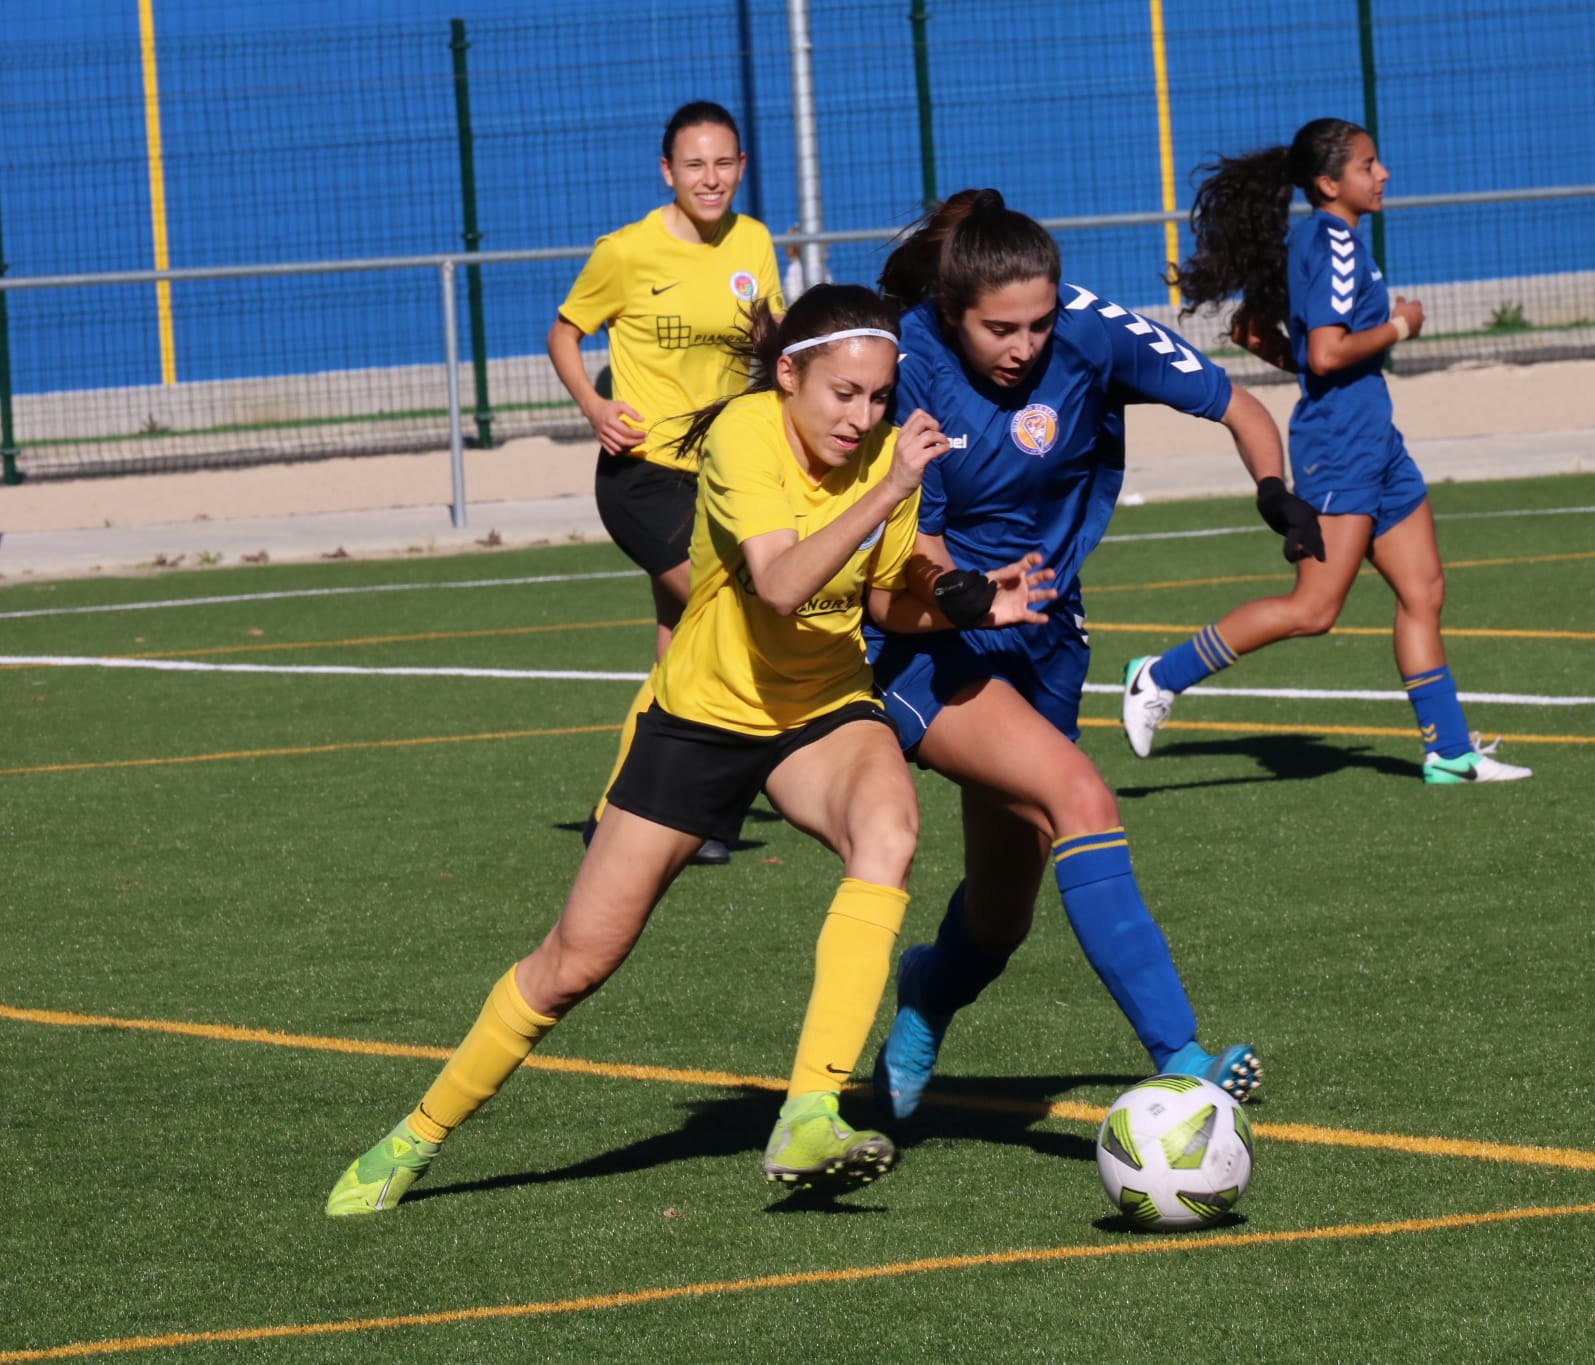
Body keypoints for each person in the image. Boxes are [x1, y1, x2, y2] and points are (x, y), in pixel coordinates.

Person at [326, 285, 1052, 1214]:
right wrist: (890, 488)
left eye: (877, 397)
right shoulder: (746, 436)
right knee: (575, 961)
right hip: (703, 716)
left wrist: (966, 599)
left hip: (821, 706)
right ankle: (414, 1137)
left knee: (890, 831)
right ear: (789, 375)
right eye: (843, 394)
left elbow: (878, 599)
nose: (862, 416)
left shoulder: (884, 452)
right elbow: (783, 582)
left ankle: (809, 1112)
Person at [863, 189, 1324, 1121]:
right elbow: (904, 541)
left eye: (1039, 322)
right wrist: (959, 590)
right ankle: (1184, 1056)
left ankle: (926, 994)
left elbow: (1238, 406)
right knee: (1081, 797)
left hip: (1047, 641)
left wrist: (1275, 491)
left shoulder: (1091, 331)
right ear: (953, 311)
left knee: (1001, 915)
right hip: (930, 641)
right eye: (1000, 329)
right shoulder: (904, 361)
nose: (1025, 346)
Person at [1121, 119, 1532, 785]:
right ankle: (1157, 676)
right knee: (1313, 609)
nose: (1383, 174)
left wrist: (1319, 369)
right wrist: (1401, 324)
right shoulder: (1333, 243)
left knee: (1424, 589)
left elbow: (1253, 331)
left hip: (1375, 441)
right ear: (1328, 183)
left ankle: (1449, 753)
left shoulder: (1321, 239)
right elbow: (1327, 350)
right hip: (1341, 448)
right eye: (1369, 164)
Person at [547, 100, 787, 865]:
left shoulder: (754, 241)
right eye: (694, 165)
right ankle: (707, 811)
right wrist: (593, 406)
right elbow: (563, 332)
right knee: (735, 621)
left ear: (742, 168)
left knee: (678, 652)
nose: (710, 178)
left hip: (721, 478)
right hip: (642, 477)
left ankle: (624, 816)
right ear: (667, 172)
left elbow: (771, 342)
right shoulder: (627, 252)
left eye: (724, 164)